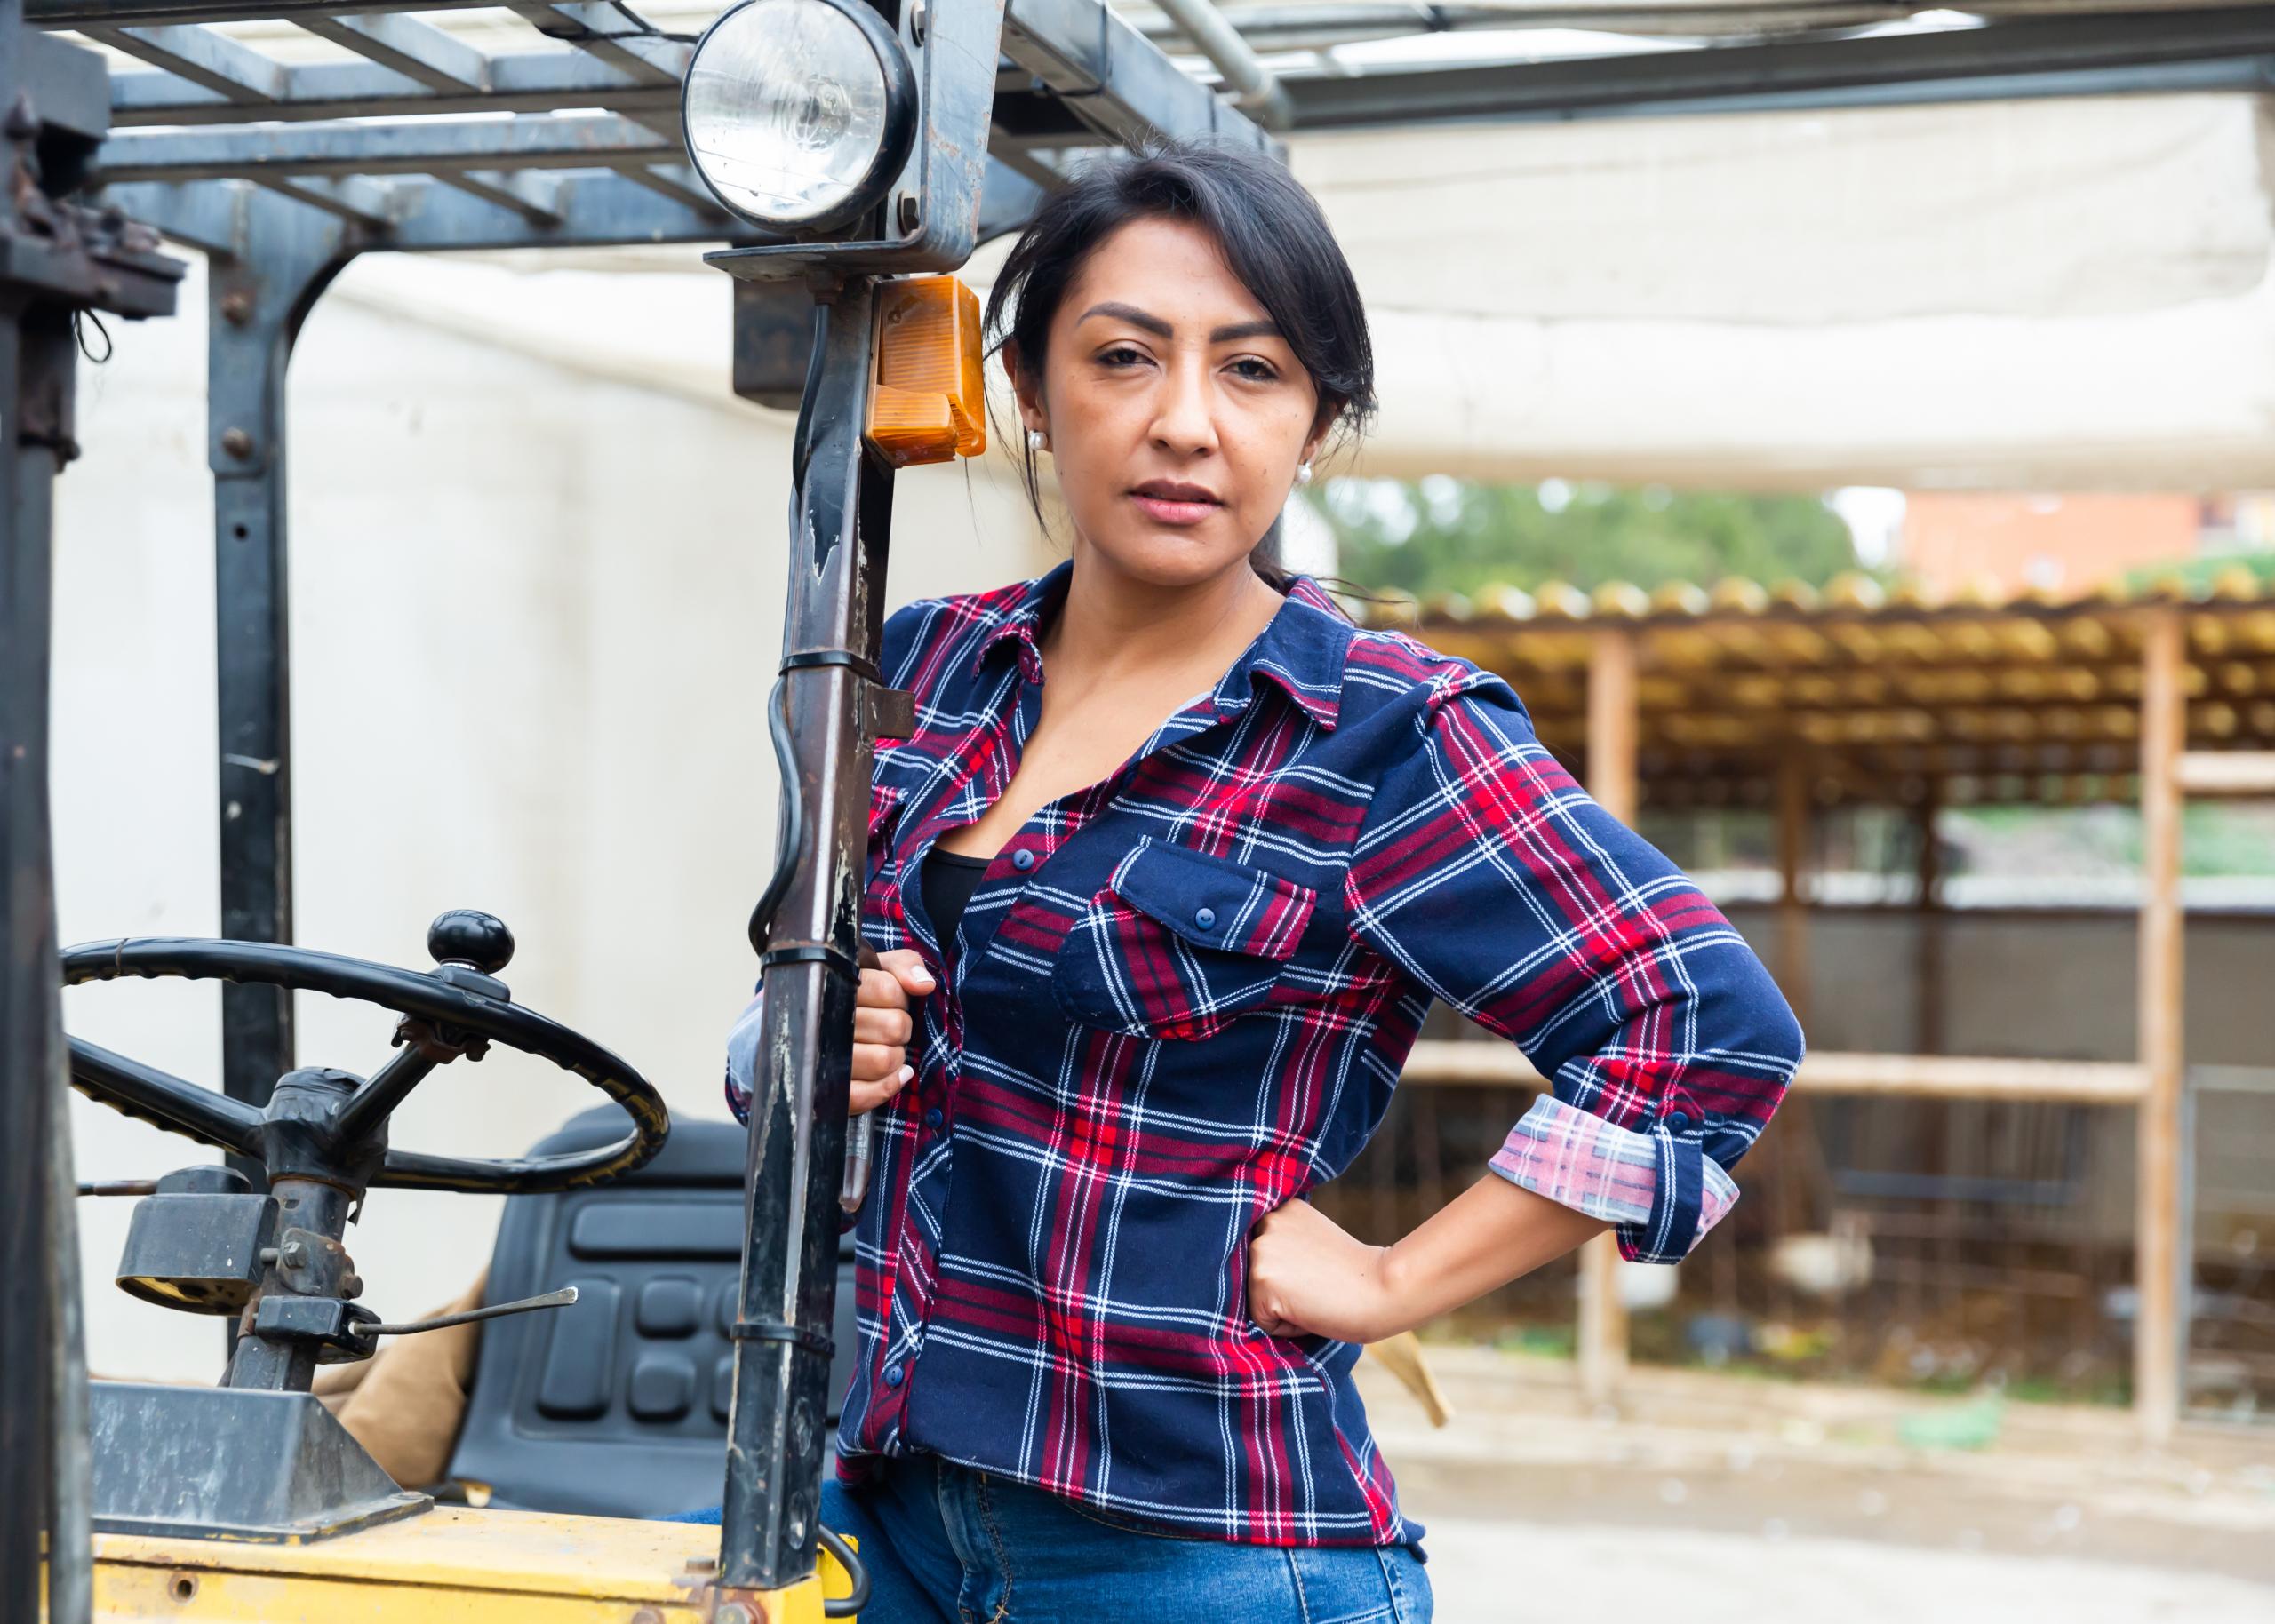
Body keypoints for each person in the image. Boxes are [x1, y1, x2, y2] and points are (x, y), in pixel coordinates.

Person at [720, 141, 1805, 1621]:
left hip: (1194, 1548)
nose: (1185, 424)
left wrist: (1393, 1281)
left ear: (1314, 423)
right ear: (1032, 391)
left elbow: (1701, 1030)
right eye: (1124, 358)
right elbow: (817, 1010)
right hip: (871, 1502)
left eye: (1253, 373)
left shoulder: (1381, 732)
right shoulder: (919, 665)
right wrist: (799, 1043)